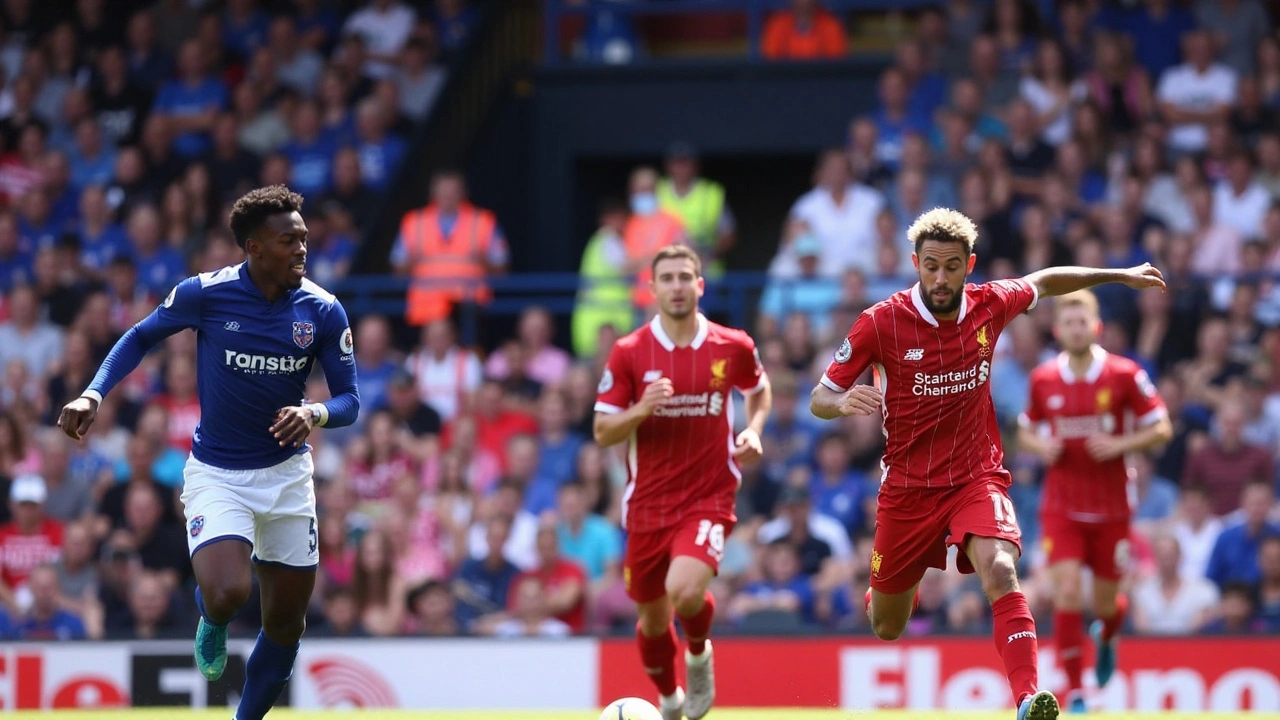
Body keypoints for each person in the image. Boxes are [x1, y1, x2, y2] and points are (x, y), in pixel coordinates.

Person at [808, 208, 1166, 720]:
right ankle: (892, 590)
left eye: (951, 266)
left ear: (968, 264)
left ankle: (1028, 698)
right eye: (930, 265)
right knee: (886, 624)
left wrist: (1120, 275)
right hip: (908, 489)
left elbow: (1046, 280)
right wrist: (841, 403)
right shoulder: (880, 321)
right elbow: (820, 396)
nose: (939, 277)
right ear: (915, 262)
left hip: (976, 476)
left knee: (1000, 569)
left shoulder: (989, 304)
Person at [57, 186, 360, 720]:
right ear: (253, 247)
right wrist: (93, 393)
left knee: (287, 624)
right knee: (226, 593)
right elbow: (138, 336)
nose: (302, 249)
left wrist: (314, 413)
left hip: (288, 477)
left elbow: (350, 401)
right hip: (219, 474)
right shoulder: (206, 293)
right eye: (289, 240)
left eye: (304, 239)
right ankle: (211, 621)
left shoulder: (323, 310)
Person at [594, 244, 772, 720]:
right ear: (651, 289)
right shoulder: (630, 353)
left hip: (708, 494)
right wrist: (641, 409)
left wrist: (753, 429)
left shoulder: (731, 345)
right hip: (647, 505)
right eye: (666, 278)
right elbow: (602, 429)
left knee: (685, 591)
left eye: (684, 277)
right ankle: (670, 701)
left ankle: (698, 653)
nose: (676, 286)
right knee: (652, 623)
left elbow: (759, 390)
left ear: (700, 284)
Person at [1016, 289, 1172, 713]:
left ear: (1096, 327)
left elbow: (1161, 427)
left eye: (1082, 321)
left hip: (1111, 508)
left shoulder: (1124, 374)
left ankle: (1107, 635)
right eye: (1068, 322)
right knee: (1066, 589)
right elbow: (1025, 428)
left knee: (1106, 604)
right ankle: (1076, 692)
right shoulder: (1043, 379)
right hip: (1062, 506)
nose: (1076, 328)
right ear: (1058, 330)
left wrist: (1122, 442)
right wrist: (1041, 446)